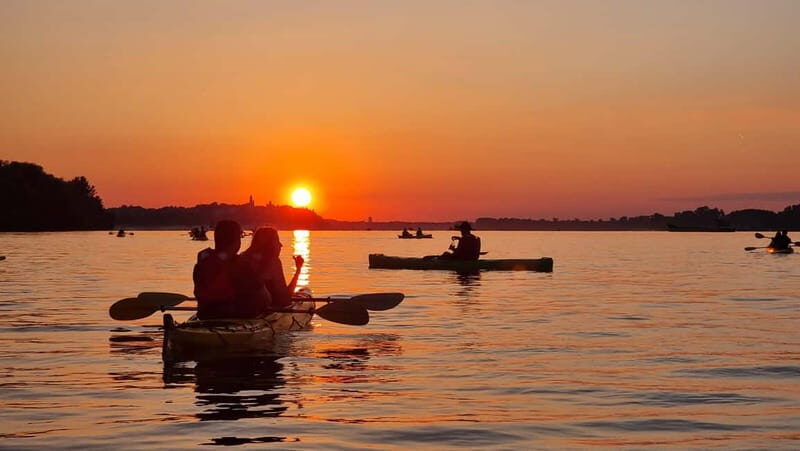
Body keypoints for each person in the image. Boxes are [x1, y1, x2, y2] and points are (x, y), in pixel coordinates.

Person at [193, 220, 269, 319]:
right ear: (237, 240)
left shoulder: (203, 257)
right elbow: (264, 298)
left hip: (205, 314)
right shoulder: (242, 264)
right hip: (235, 316)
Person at [240, 227, 304, 308]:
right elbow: (285, 298)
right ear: (271, 244)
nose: (281, 245)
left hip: (241, 308)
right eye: (277, 241)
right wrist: (298, 270)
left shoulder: (242, 257)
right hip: (264, 311)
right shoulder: (273, 262)